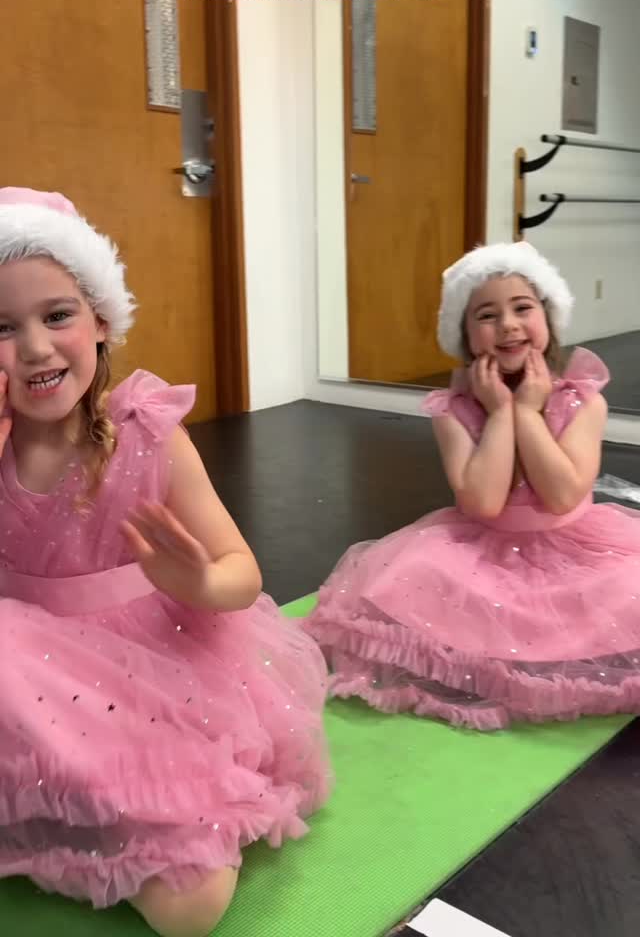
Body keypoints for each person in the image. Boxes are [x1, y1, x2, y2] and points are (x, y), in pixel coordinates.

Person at [0, 187, 332, 937]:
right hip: (17, 673)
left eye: (56, 316)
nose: (34, 348)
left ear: (101, 321)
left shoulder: (147, 435)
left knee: (188, 912)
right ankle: (56, 813)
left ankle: (107, 814)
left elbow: (238, 567)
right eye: (1, 328)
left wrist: (201, 584)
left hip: (142, 670)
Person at [304, 241, 640, 731]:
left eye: (522, 308)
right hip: (484, 549)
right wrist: (503, 412)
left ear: (549, 318)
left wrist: (531, 410)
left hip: (577, 546)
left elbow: (564, 495)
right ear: (466, 337)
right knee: (410, 582)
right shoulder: (453, 411)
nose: (507, 324)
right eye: (487, 315)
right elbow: (481, 501)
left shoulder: (583, 401)